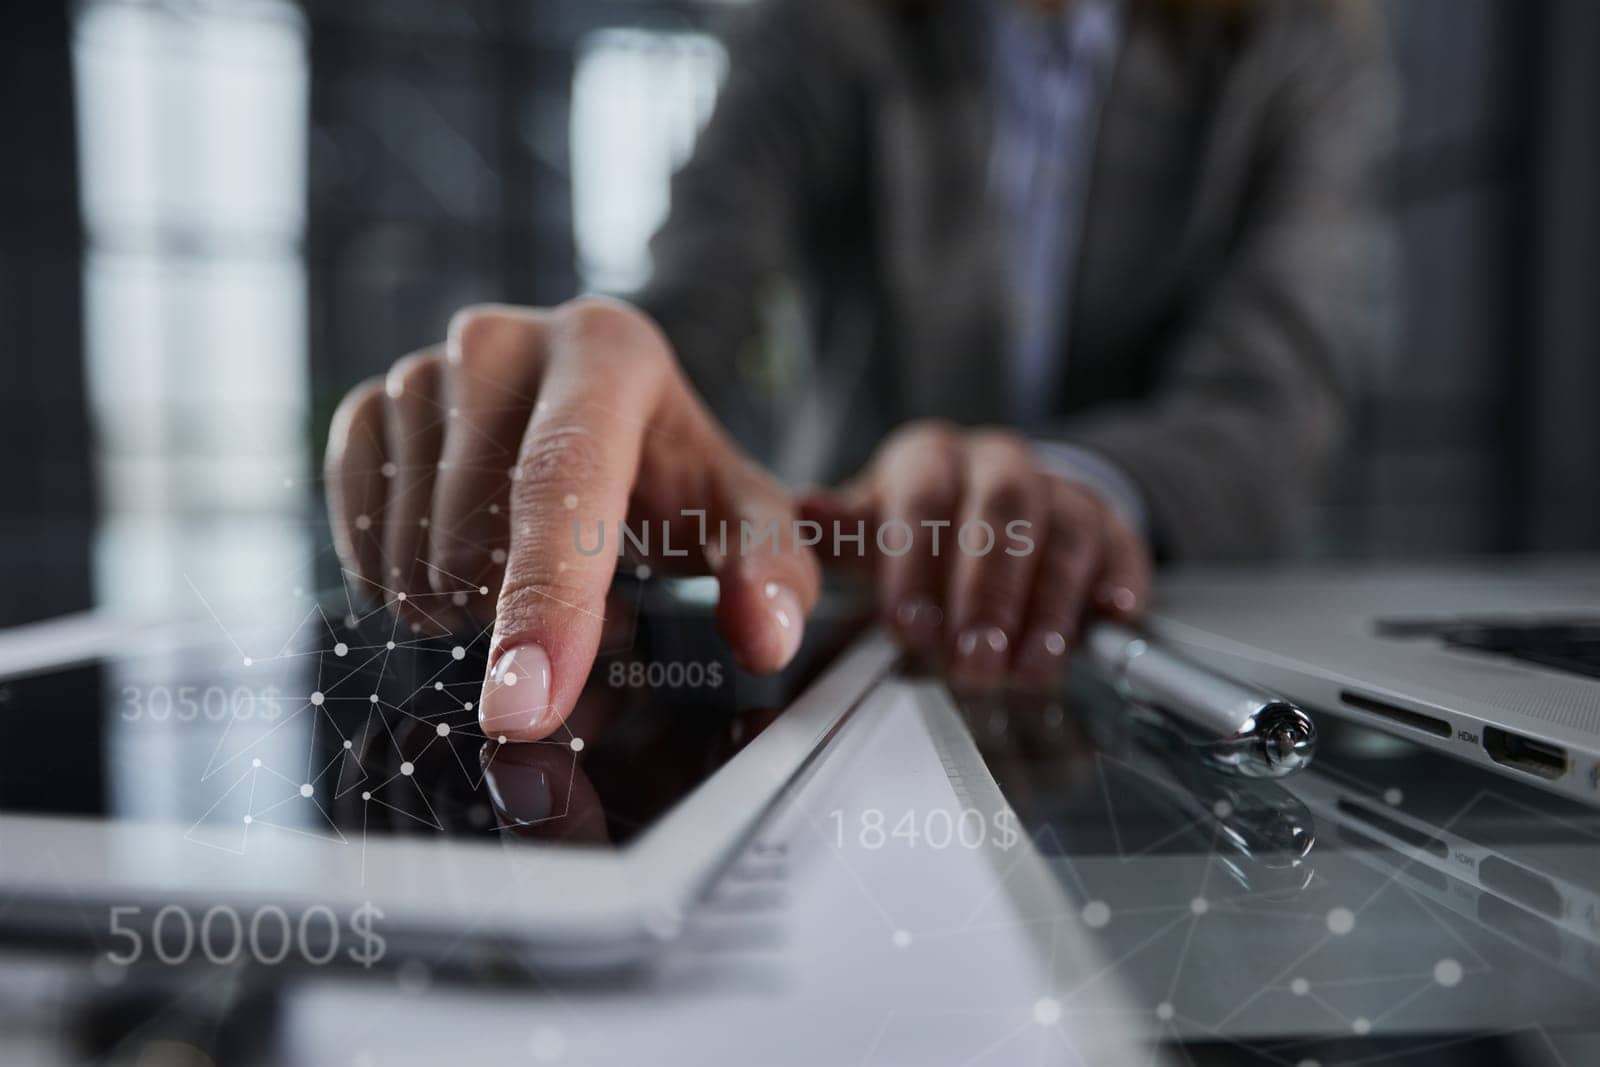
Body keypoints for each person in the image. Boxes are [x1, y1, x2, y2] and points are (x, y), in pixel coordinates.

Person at [324, 0, 1394, 742]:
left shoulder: (1296, 42)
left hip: (1170, 636)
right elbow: (698, 299)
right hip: (846, 638)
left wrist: (1071, 487)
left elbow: (1274, 395)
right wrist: (599, 384)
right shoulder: (818, 28)